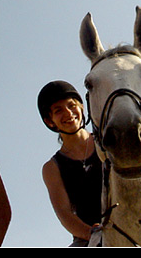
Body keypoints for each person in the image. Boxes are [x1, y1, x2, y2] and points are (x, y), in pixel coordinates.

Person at [38, 80, 103, 247]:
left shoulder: (106, 141)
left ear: (81, 107)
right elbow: (65, 214)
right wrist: (92, 234)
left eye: (71, 105)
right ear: (49, 121)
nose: (68, 113)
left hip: (130, 224)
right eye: (58, 110)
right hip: (88, 238)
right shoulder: (52, 168)